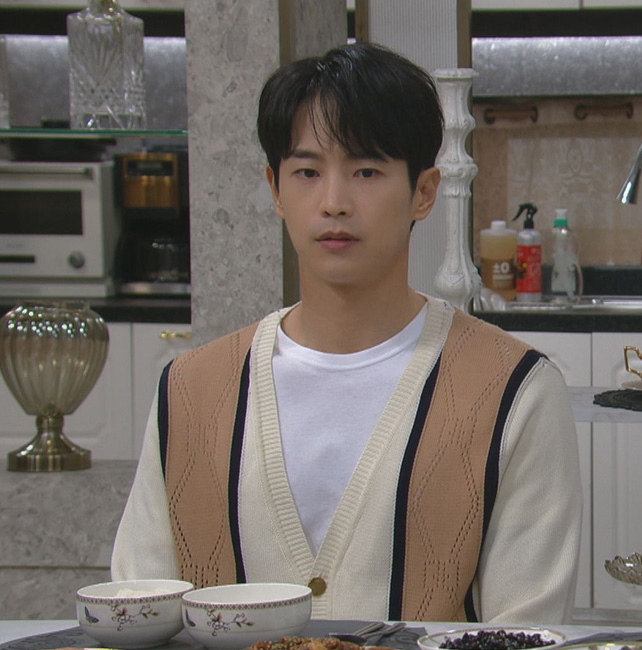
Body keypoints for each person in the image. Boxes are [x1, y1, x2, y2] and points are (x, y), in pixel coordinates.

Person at [111, 43, 582, 625]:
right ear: (275, 189)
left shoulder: (515, 391)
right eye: (307, 172)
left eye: (366, 171)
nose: (333, 203)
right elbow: (136, 610)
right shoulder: (189, 390)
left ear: (424, 192)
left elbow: (526, 629)